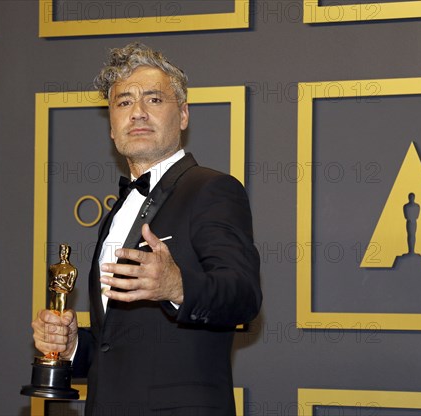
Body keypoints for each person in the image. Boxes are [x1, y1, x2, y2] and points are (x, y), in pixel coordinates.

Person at [32, 42, 262, 415]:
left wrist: (177, 285)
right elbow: (116, 347)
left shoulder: (212, 189)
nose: (137, 113)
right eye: (123, 102)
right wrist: (74, 345)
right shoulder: (119, 210)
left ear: (184, 115)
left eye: (153, 100)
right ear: (111, 126)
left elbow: (244, 297)